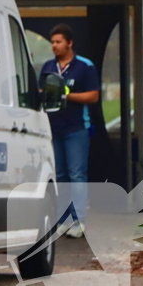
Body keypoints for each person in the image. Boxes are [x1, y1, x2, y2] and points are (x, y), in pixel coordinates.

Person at [40, 23, 100, 239]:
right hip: (53, 129)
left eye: (58, 42)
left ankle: (79, 220)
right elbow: (40, 92)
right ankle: (63, 220)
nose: (54, 46)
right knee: (60, 176)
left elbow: (93, 96)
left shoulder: (85, 66)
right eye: (52, 42)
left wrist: (66, 97)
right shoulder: (48, 67)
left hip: (76, 129)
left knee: (77, 174)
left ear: (69, 43)